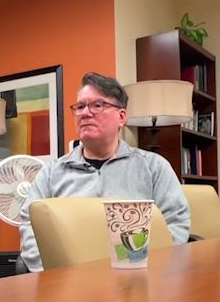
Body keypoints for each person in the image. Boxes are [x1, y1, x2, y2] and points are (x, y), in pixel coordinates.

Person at [18, 72, 190, 272]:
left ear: (121, 117)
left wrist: (141, 268)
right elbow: (31, 228)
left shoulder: (153, 167)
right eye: (80, 106)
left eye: (97, 105)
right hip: (69, 281)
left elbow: (176, 225)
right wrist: (54, 275)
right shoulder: (50, 173)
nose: (85, 113)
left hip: (138, 278)